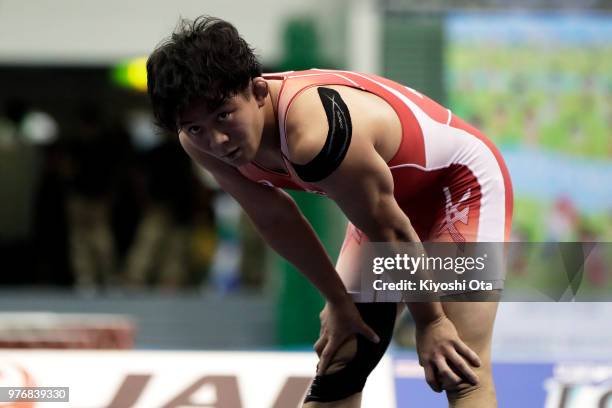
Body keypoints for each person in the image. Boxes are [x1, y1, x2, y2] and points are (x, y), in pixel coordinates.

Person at [146, 16, 513, 407]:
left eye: (223, 116)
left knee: (458, 368)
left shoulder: (315, 134)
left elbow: (389, 231)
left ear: (257, 91)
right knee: (341, 364)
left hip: (459, 185)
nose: (217, 141)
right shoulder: (198, 143)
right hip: (382, 205)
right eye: (196, 127)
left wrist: (431, 321)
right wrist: (337, 301)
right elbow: (275, 219)